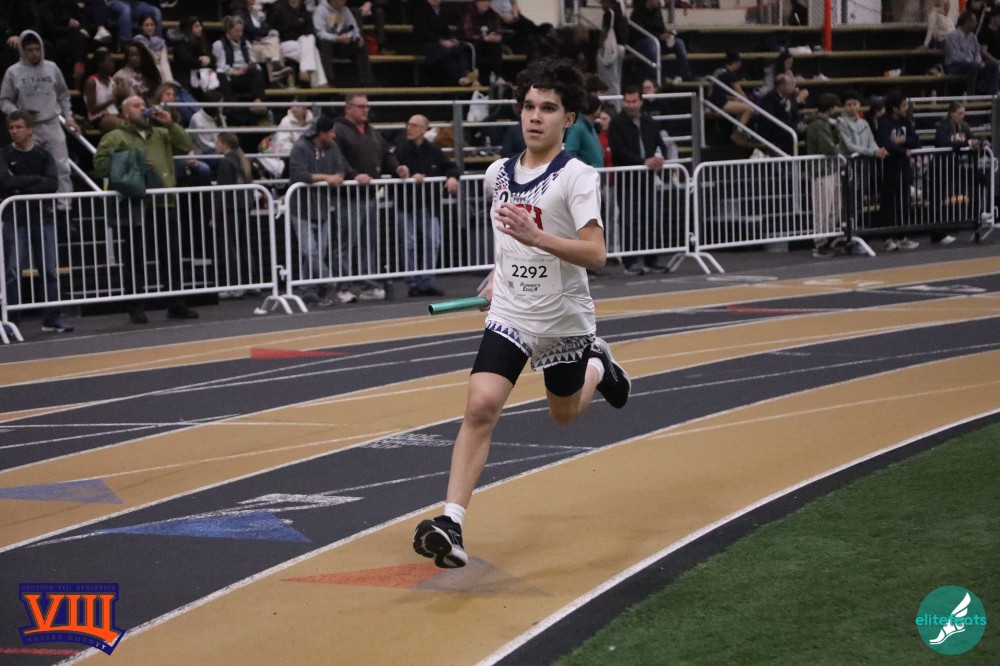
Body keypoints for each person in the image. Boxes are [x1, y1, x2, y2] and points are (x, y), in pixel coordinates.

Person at [411, 56, 630, 569]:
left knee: (564, 415)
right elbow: (506, 241)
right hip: (511, 311)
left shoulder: (577, 177)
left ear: (568, 118)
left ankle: (598, 366)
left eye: (548, 108)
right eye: (529, 106)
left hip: (563, 319)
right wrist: (498, 273)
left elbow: (597, 254)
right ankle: (451, 522)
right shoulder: (497, 174)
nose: (535, 116)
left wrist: (537, 238)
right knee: (481, 404)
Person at [92, 95, 199, 323]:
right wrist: (133, 161)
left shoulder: (161, 133)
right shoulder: (115, 137)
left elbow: (186, 145)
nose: (143, 108)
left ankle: (176, 303)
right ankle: (136, 306)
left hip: (164, 202)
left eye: (143, 105)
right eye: (136, 106)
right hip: (134, 204)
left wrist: (170, 123)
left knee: (171, 256)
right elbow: (100, 166)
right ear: (125, 113)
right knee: (135, 257)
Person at [333, 93, 410, 303]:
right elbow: (337, 158)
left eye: (367, 106)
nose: (365, 110)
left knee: (369, 243)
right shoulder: (339, 130)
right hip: (348, 196)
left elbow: (386, 153)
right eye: (361, 107)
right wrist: (353, 175)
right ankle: (343, 286)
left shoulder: (371, 132)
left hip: (369, 195)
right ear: (348, 108)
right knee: (346, 243)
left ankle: (368, 284)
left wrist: (397, 168)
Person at [1, 111, 73, 333]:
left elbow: (52, 183)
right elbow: (5, 182)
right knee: (12, 272)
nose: (14, 131)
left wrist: (20, 187)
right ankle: (11, 321)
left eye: (18, 127)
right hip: (15, 218)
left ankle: (51, 318)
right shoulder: (4, 154)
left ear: (30, 129)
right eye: (11, 128)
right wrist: (35, 180)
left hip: (43, 218)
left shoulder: (43, 155)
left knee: (49, 270)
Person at [0, 31, 80, 209]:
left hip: (51, 123)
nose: (34, 53)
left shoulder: (52, 67)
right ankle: (34, 207)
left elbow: (63, 95)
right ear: (23, 50)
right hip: (27, 127)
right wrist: (18, 112)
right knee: (29, 170)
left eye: (37, 49)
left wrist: (69, 117)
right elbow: (4, 101)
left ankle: (64, 208)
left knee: (62, 167)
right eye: (30, 50)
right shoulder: (13, 72)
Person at [394, 113, 460, 297]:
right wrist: (406, 174)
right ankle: (412, 282)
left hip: (429, 205)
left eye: (414, 125)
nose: (409, 128)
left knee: (433, 241)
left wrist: (452, 177)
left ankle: (426, 281)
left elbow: (450, 166)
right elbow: (391, 168)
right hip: (406, 204)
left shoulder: (434, 151)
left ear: (423, 130)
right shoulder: (400, 150)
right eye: (408, 124)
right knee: (409, 243)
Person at [607, 85, 671, 275]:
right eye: (627, 101)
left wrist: (659, 157)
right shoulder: (616, 123)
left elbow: (660, 144)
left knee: (651, 218)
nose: (631, 105)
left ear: (641, 102)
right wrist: (643, 162)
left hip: (647, 178)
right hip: (627, 179)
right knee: (629, 220)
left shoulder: (649, 121)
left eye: (634, 101)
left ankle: (652, 259)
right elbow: (618, 150)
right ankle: (630, 262)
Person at [286, 114, 348, 306]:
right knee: (310, 251)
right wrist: (326, 178)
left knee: (317, 253)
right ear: (321, 133)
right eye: (331, 132)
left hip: (322, 208)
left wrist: (337, 176)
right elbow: (299, 174)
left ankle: (308, 290)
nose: (334, 136)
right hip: (301, 209)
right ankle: (329, 281)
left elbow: (340, 168)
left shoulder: (333, 147)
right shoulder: (300, 148)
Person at [932, 100, 987, 244]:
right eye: (959, 113)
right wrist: (966, 143)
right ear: (951, 114)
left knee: (979, 180)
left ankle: (978, 214)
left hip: (957, 167)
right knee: (941, 199)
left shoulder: (964, 126)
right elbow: (944, 143)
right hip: (941, 166)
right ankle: (938, 233)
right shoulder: (941, 127)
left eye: (963, 113)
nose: (962, 116)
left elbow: (972, 137)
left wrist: (981, 141)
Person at [875, 90, 920, 252]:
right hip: (889, 165)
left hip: (904, 165)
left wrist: (903, 140)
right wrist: (903, 151)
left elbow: (915, 140)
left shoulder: (905, 120)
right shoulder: (884, 122)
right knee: (889, 201)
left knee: (904, 199)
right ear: (894, 108)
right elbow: (885, 142)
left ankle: (902, 236)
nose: (906, 108)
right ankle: (887, 237)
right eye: (903, 105)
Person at [212, 132, 255, 298]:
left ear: (224, 144)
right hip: (244, 206)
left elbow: (224, 191)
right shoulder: (242, 160)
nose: (215, 146)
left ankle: (235, 285)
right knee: (244, 244)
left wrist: (216, 214)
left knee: (229, 246)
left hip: (231, 208)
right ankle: (252, 283)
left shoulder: (226, 162)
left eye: (217, 143)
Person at [805, 93, 845, 258]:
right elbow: (828, 148)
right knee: (822, 208)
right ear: (831, 108)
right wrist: (839, 148)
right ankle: (820, 242)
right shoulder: (817, 124)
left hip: (830, 169)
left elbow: (831, 143)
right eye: (836, 107)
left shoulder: (825, 123)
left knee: (835, 206)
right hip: (821, 171)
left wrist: (837, 130)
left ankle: (826, 238)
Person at [212, 15, 269, 121]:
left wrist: (249, 67)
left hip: (244, 73)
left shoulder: (245, 43)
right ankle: (233, 107)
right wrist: (234, 72)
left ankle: (258, 101)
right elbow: (220, 66)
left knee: (258, 71)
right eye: (237, 31)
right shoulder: (219, 44)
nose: (239, 34)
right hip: (231, 76)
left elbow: (252, 61)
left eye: (241, 31)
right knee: (221, 75)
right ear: (229, 30)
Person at [412, 0, 477, 87]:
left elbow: (445, 29)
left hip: (441, 42)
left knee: (460, 48)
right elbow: (422, 32)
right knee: (446, 52)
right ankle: (461, 77)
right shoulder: (421, 10)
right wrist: (440, 41)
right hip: (426, 43)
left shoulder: (442, 9)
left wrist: (452, 39)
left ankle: (465, 74)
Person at [270, 0, 329, 88]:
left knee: (309, 38)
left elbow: (310, 30)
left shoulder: (303, 10)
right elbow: (273, 29)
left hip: (301, 44)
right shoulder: (278, 7)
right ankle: (320, 82)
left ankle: (304, 70)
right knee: (313, 51)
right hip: (284, 44)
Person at [313, 0, 374, 86]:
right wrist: (336, 38)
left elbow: (354, 28)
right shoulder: (321, 10)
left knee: (361, 46)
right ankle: (329, 80)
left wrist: (354, 37)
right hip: (329, 44)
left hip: (342, 43)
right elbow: (320, 33)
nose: (345, 2)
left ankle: (366, 82)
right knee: (324, 44)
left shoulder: (345, 10)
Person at [629, 0, 692, 82]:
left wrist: (667, 35)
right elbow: (638, 33)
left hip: (658, 42)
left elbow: (661, 29)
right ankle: (655, 77)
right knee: (651, 44)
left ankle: (685, 74)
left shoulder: (657, 12)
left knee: (679, 43)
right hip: (642, 44)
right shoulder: (637, 13)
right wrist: (658, 36)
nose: (659, 2)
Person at [944, 10, 999, 95]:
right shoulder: (953, 36)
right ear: (967, 22)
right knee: (972, 65)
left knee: (993, 66)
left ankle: (991, 95)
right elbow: (955, 56)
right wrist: (971, 61)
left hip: (973, 65)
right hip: (955, 66)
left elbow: (977, 53)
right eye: (974, 21)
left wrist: (979, 61)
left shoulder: (973, 37)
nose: (976, 24)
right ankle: (971, 95)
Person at [707, 51, 755, 145]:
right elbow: (740, 92)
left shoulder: (718, 71)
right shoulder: (730, 74)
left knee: (740, 104)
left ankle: (739, 131)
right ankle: (738, 133)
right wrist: (749, 102)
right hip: (719, 103)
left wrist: (734, 99)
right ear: (736, 63)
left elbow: (718, 92)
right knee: (749, 109)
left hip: (712, 100)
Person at [459, 0, 505, 86]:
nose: (486, 3)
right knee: (474, 48)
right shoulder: (469, 11)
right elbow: (468, 33)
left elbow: (497, 28)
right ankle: (474, 78)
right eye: (483, 1)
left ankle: (498, 76)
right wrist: (483, 37)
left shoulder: (491, 13)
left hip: (487, 42)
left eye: (488, 1)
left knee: (496, 47)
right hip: (470, 42)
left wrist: (496, 36)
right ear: (477, 2)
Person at [758, 73, 806, 154]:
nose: (792, 86)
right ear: (781, 85)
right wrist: (793, 126)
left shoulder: (790, 97)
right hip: (775, 130)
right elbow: (771, 120)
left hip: (790, 127)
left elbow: (795, 114)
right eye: (789, 84)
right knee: (790, 135)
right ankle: (789, 159)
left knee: (808, 131)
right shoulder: (769, 98)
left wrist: (800, 123)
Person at [171, 16, 216, 98]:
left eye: (200, 26)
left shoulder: (203, 41)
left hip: (202, 74)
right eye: (196, 26)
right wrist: (200, 61)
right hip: (186, 75)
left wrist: (209, 60)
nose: (200, 28)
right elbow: (186, 61)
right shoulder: (180, 43)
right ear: (189, 28)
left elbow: (212, 58)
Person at [83, 48, 126, 134]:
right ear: (100, 64)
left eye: (113, 62)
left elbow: (117, 103)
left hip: (114, 113)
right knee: (123, 125)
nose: (113, 64)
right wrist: (111, 101)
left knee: (135, 121)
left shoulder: (112, 81)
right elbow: (92, 110)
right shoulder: (92, 82)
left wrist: (123, 94)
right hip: (98, 117)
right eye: (109, 62)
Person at [596, 0, 628, 99]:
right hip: (620, 46)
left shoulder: (609, 13)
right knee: (617, 79)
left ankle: (613, 101)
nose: (601, 5)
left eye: (602, 2)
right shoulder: (621, 13)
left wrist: (600, 46)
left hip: (611, 49)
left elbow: (605, 31)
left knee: (609, 79)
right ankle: (618, 101)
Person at [564, 93, 603, 169]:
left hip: (595, 172)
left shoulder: (590, 126)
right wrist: (585, 168)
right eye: (599, 108)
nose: (600, 111)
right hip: (587, 173)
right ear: (595, 109)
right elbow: (570, 151)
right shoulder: (577, 127)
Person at [134, 12, 174, 85]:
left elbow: (164, 61)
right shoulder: (138, 40)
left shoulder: (161, 42)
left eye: (152, 25)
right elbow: (150, 58)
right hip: (145, 73)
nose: (150, 28)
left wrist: (169, 80)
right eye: (146, 25)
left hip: (160, 73)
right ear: (141, 27)